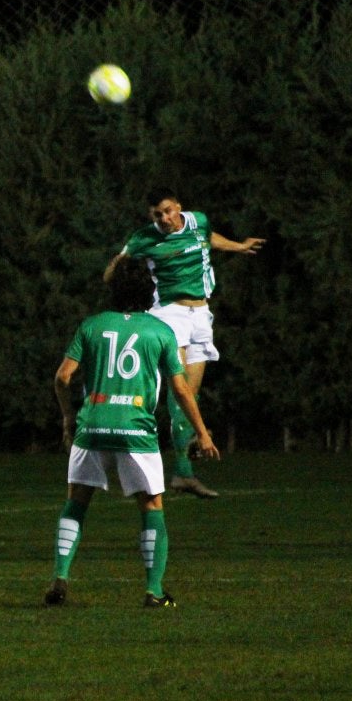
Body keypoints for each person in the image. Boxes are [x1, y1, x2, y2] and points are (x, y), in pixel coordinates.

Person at [47, 256, 221, 608]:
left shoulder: (92, 325)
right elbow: (181, 390)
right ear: (150, 291)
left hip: (92, 426)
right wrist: (202, 433)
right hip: (135, 430)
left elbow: (63, 377)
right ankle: (154, 591)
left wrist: (68, 417)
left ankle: (59, 578)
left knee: (76, 502)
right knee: (151, 506)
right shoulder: (160, 332)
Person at [104, 187, 264, 499]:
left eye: (168, 211)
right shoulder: (144, 238)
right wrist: (116, 266)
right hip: (168, 314)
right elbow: (114, 271)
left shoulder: (198, 221)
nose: (164, 219)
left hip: (200, 315)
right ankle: (166, 461)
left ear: (178, 206)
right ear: (151, 216)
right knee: (178, 392)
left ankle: (182, 472)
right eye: (157, 215)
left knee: (189, 395)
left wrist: (238, 246)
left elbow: (208, 238)